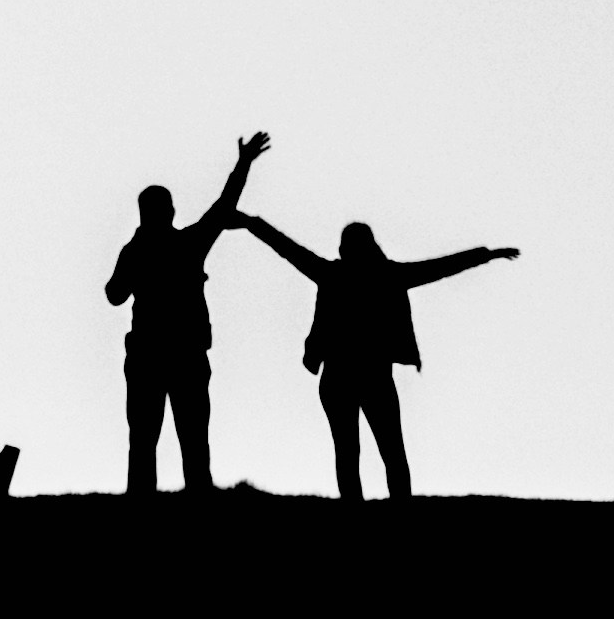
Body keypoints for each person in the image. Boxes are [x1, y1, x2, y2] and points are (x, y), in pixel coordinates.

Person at [229, 203, 517, 502]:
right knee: (390, 449)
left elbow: (287, 248)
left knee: (350, 450)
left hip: (339, 376)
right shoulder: (387, 275)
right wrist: (486, 255)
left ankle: (358, 510)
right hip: (373, 376)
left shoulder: (332, 274)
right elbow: (439, 267)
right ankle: (399, 508)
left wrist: (252, 223)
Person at [105, 131, 270, 497]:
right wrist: (242, 164)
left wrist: (242, 164)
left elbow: (114, 295)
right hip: (182, 354)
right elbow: (223, 207)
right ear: (171, 212)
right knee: (190, 439)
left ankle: (148, 500)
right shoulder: (187, 245)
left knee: (149, 440)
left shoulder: (138, 251)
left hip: (153, 354)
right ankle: (196, 501)